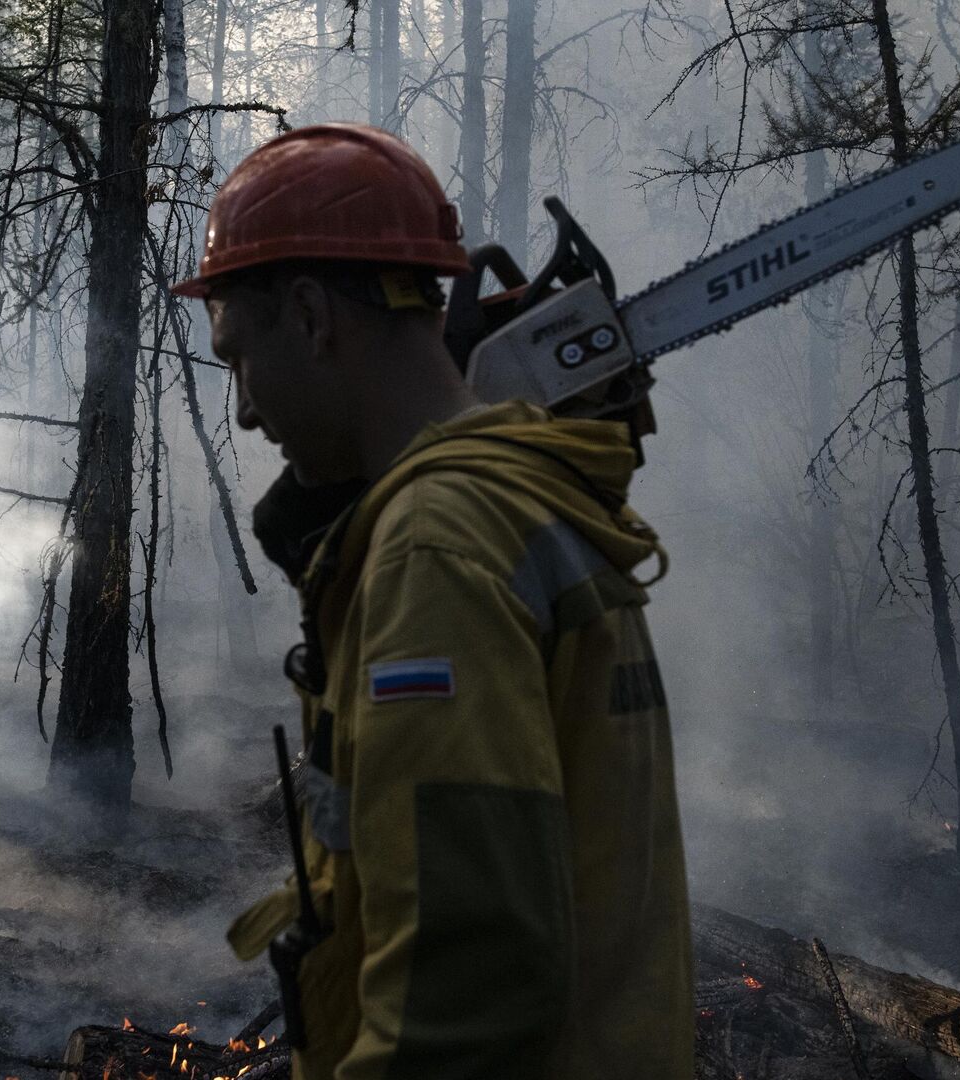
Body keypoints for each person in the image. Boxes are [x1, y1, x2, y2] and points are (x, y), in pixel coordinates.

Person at [173, 123, 694, 1079]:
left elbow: (466, 995)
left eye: (238, 357)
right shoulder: (526, 496)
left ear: (310, 315)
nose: (244, 408)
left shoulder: (437, 546)